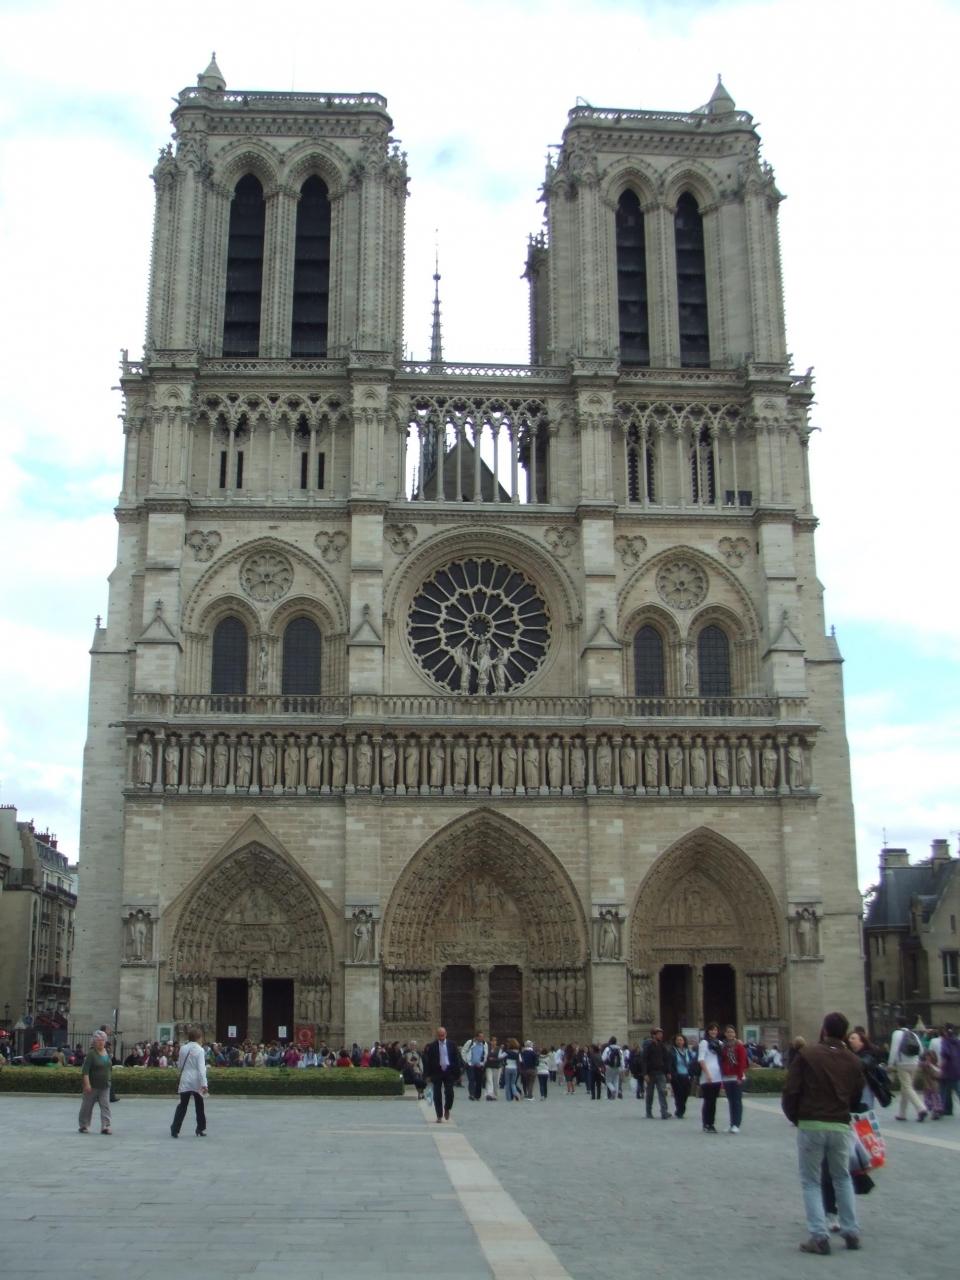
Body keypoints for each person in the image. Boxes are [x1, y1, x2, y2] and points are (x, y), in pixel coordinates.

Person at [781, 1010, 865, 1255]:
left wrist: (796, 1117)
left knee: (811, 1181)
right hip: (840, 1125)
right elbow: (857, 1095)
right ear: (845, 1033)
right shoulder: (853, 1060)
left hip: (811, 1124)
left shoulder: (807, 1055)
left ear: (825, 1030)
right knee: (842, 1178)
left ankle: (819, 1236)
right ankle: (851, 1232)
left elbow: (791, 1090)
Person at [887, 1016, 927, 1121]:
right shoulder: (913, 1034)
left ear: (897, 1024)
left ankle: (921, 1108)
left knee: (907, 1087)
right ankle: (902, 1114)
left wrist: (890, 1064)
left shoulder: (896, 1033)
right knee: (905, 1088)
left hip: (902, 1063)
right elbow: (921, 1050)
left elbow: (894, 1049)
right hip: (914, 1063)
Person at [171, 1026, 208, 1138]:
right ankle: (200, 1128)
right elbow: (201, 1069)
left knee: (183, 1105)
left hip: (185, 1078)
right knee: (199, 1105)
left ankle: (175, 1129)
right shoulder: (200, 1050)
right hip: (197, 1080)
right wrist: (204, 1084)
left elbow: (180, 1065)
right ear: (198, 1037)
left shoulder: (183, 1048)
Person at [422, 1026, 463, 1123]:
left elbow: (457, 1059)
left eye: (443, 1035)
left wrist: (458, 1074)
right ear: (437, 1035)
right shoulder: (432, 1046)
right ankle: (439, 1115)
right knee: (437, 1094)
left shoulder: (452, 1044)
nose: (441, 1037)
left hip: (449, 1071)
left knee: (450, 1093)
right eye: (439, 1035)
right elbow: (428, 1062)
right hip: (437, 1072)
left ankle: (447, 1108)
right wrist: (427, 1075)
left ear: (446, 1034)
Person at [78, 1030, 113, 1135]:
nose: (101, 1042)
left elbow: (109, 1068)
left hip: (105, 1085)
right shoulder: (91, 1054)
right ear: (94, 1042)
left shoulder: (107, 1053)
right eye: (98, 1040)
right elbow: (85, 1071)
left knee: (105, 1106)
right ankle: (84, 1125)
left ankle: (105, 1126)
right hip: (92, 1086)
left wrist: (109, 1079)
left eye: (103, 1040)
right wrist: (87, 1084)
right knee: (87, 1106)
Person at [719, 1024, 748, 1133]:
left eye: (732, 1032)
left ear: (735, 1033)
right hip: (727, 1077)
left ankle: (736, 1124)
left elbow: (742, 1062)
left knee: (737, 1101)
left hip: (736, 1076)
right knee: (731, 1101)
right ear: (725, 1034)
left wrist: (740, 1076)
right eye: (728, 1032)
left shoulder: (739, 1046)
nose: (730, 1034)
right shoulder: (723, 1046)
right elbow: (721, 1061)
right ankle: (732, 1123)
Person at [697, 1022, 723, 1133]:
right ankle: (706, 1123)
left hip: (718, 1076)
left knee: (713, 1101)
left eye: (715, 1030)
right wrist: (707, 1074)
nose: (714, 1032)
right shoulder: (704, 1043)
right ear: (708, 1031)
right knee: (708, 1101)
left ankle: (711, 1123)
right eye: (711, 1030)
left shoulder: (720, 1043)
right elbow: (701, 1059)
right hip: (707, 1076)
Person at [642, 1027, 672, 1119]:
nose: (661, 1035)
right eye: (659, 1034)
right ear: (653, 1035)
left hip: (660, 1072)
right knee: (650, 1094)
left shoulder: (662, 1045)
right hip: (650, 1073)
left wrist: (668, 1072)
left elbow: (666, 1059)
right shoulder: (648, 1046)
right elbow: (644, 1060)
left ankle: (664, 1112)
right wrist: (645, 1074)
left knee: (662, 1092)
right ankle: (648, 1112)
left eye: (661, 1034)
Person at [671, 1034, 696, 1118]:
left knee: (685, 1093)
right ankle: (680, 1110)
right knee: (678, 1094)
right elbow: (670, 1063)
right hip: (677, 1076)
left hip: (687, 1076)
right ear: (675, 1041)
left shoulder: (688, 1051)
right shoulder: (672, 1051)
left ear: (684, 1041)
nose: (679, 1041)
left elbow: (692, 1062)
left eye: (681, 1040)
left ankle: (681, 1108)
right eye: (677, 1040)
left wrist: (692, 1072)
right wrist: (670, 1074)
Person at [940, 1024, 960, 1116]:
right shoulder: (957, 1041)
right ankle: (947, 1109)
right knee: (954, 1088)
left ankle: (945, 1109)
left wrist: (941, 1066)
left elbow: (945, 1053)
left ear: (945, 1031)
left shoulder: (945, 1041)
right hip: (957, 1068)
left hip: (948, 1069)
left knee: (946, 1089)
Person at [463, 1032, 488, 1100]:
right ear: (476, 1037)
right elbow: (463, 1051)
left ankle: (477, 1095)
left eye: (482, 1037)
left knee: (479, 1080)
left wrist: (483, 1063)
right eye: (480, 1036)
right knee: (472, 1079)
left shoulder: (484, 1044)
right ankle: (472, 1094)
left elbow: (485, 1054)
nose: (481, 1038)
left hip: (479, 1065)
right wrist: (466, 1061)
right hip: (470, 1064)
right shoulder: (470, 1042)